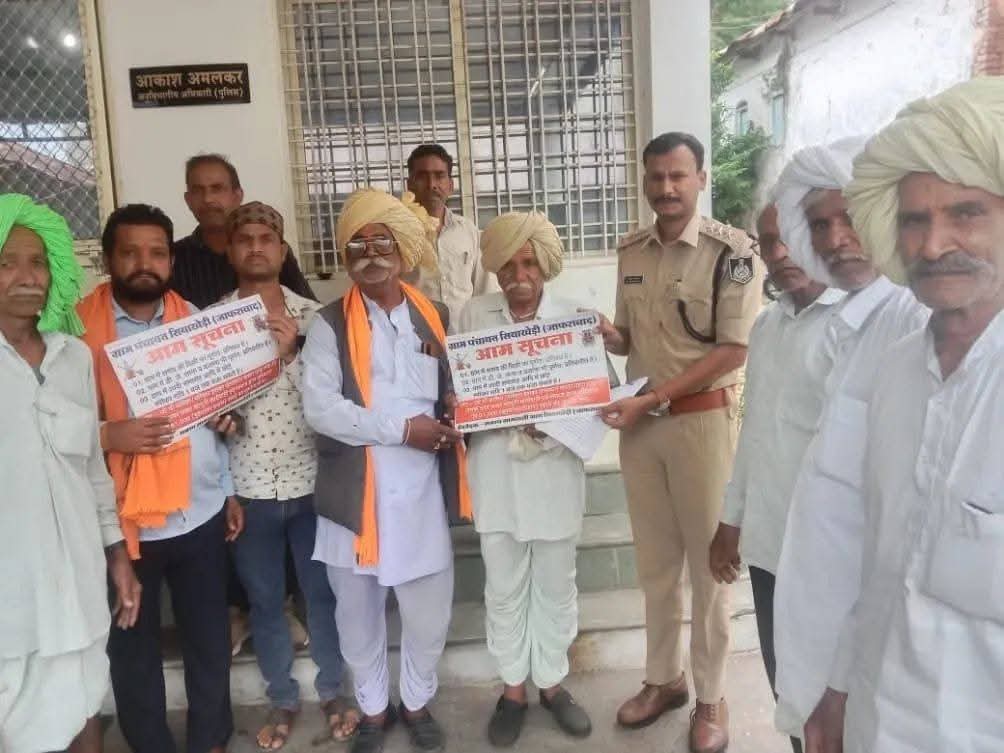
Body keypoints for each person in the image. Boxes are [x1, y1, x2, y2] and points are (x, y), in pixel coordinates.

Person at [804, 77, 1004, 753]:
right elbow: (881, 560)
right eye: (915, 219)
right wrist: (837, 689)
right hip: (876, 720)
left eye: (966, 213)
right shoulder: (893, 370)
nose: (932, 244)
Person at [597, 131, 765, 753]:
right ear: (644, 181)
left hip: (701, 428)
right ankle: (664, 680)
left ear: (700, 179)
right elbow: (630, 339)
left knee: (710, 570)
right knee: (656, 567)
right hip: (643, 433)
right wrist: (604, 334)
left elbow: (733, 349)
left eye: (678, 176)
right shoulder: (631, 251)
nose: (666, 188)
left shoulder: (733, 253)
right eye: (656, 177)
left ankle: (711, 696)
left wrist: (653, 399)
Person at [769, 140, 929, 744]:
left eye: (850, 217)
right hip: (828, 654)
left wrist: (837, 686)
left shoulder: (914, 324)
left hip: (865, 670)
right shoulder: (858, 326)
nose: (836, 239)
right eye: (819, 225)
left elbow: (898, 538)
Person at [302, 188, 470, 753]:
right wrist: (402, 429)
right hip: (355, 494)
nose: (372, 254)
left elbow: (455, 386)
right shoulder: (327, 324)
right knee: (357, 617)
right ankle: (374, 710)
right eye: (359, 245)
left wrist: (456, 409)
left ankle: (416, 701)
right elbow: (321, 410)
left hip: (421, 490)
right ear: (345, 257)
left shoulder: (434, 316)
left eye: (382, 242)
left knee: (429, 613)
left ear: (402, 250)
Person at [77, 204, 244, 753]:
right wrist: (109, 434)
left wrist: (228, 490)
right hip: (121, 524)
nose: (143, 263)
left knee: (209, 641)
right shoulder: (75, 333)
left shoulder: (194, 319)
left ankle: (210, 740)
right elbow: (54, 426)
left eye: (156, 252)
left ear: (171, 260)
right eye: (130, 252)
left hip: (199, 510)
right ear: (108, 260)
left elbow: (218, 414)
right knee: (132, 651)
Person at [0, 194, 140, 753]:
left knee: (85, 697)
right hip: (13, 593)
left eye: (38, 262)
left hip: (78, 576)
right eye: (8, 262)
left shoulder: (73, 357)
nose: (27, 277)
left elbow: (92, 470)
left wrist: (118, 556)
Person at [220, 202, 358, 748]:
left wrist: (288, 354)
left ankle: (333, 691)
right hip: (246, 487)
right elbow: (208, 410)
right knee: (264, 601)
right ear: (230, 250)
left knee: (321, 596)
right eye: (245, 239)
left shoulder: (316, 318)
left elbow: (332, 403)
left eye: (266, 239)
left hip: (311, 482)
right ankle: (282, 698)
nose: (256, 247)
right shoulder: (212, 325)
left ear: (282, 250)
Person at [708, 204, 845, 753]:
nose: (781, 253)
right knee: (788, 694)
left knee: (834, 706)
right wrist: (730, 521)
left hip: (829, 559)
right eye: (768, 242)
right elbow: (755, 431)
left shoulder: (856, 326)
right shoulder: (767, 326)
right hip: (768, 551)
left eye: (790, 237)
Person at [458, 212, 598, 747]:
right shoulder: (474, 315)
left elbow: (596, 398)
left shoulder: (575, 317)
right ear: (495, 269)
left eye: (529, 263)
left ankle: (553, 685)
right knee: (504, 588)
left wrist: (554, 419)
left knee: (557, 587)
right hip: (495, 474)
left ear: (545, 266)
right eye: (509, 266)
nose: (519, 275)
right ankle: (513, 690)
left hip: (555, 474)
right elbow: (461, 388)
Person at [172, 153, 315, 309]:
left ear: (237, 196)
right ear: (188, 200)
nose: (208, 199)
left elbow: (307, 312)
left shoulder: (269, 251)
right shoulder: (174, 258)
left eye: (217, 189)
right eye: (198, 190)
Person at [406, 144, 493, 322]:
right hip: (417, 335)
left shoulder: (468, 231)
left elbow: (484, 289)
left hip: (466, 334)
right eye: (422, 176)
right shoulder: (398, 234)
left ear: (451, 185)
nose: (432, 185)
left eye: (439, 176)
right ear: (410, 185)